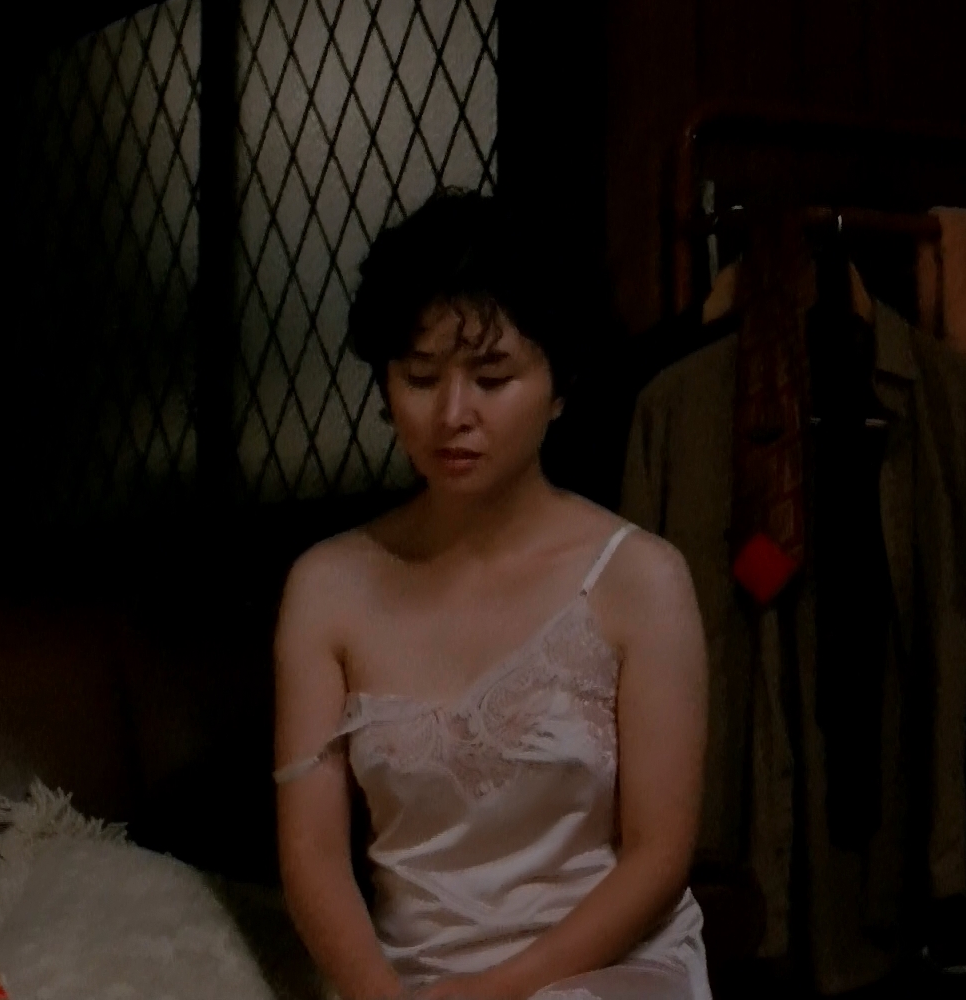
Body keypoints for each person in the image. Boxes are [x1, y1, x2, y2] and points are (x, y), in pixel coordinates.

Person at [273, 191, 712, 1000]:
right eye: (420, 377)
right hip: (405, 980)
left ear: (560, 384)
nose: (453, 414)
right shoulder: (327, 586)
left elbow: (659, 854)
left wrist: (494, 993)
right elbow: (312, 854)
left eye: (492, 377)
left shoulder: (641, 578)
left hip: (604, 970)